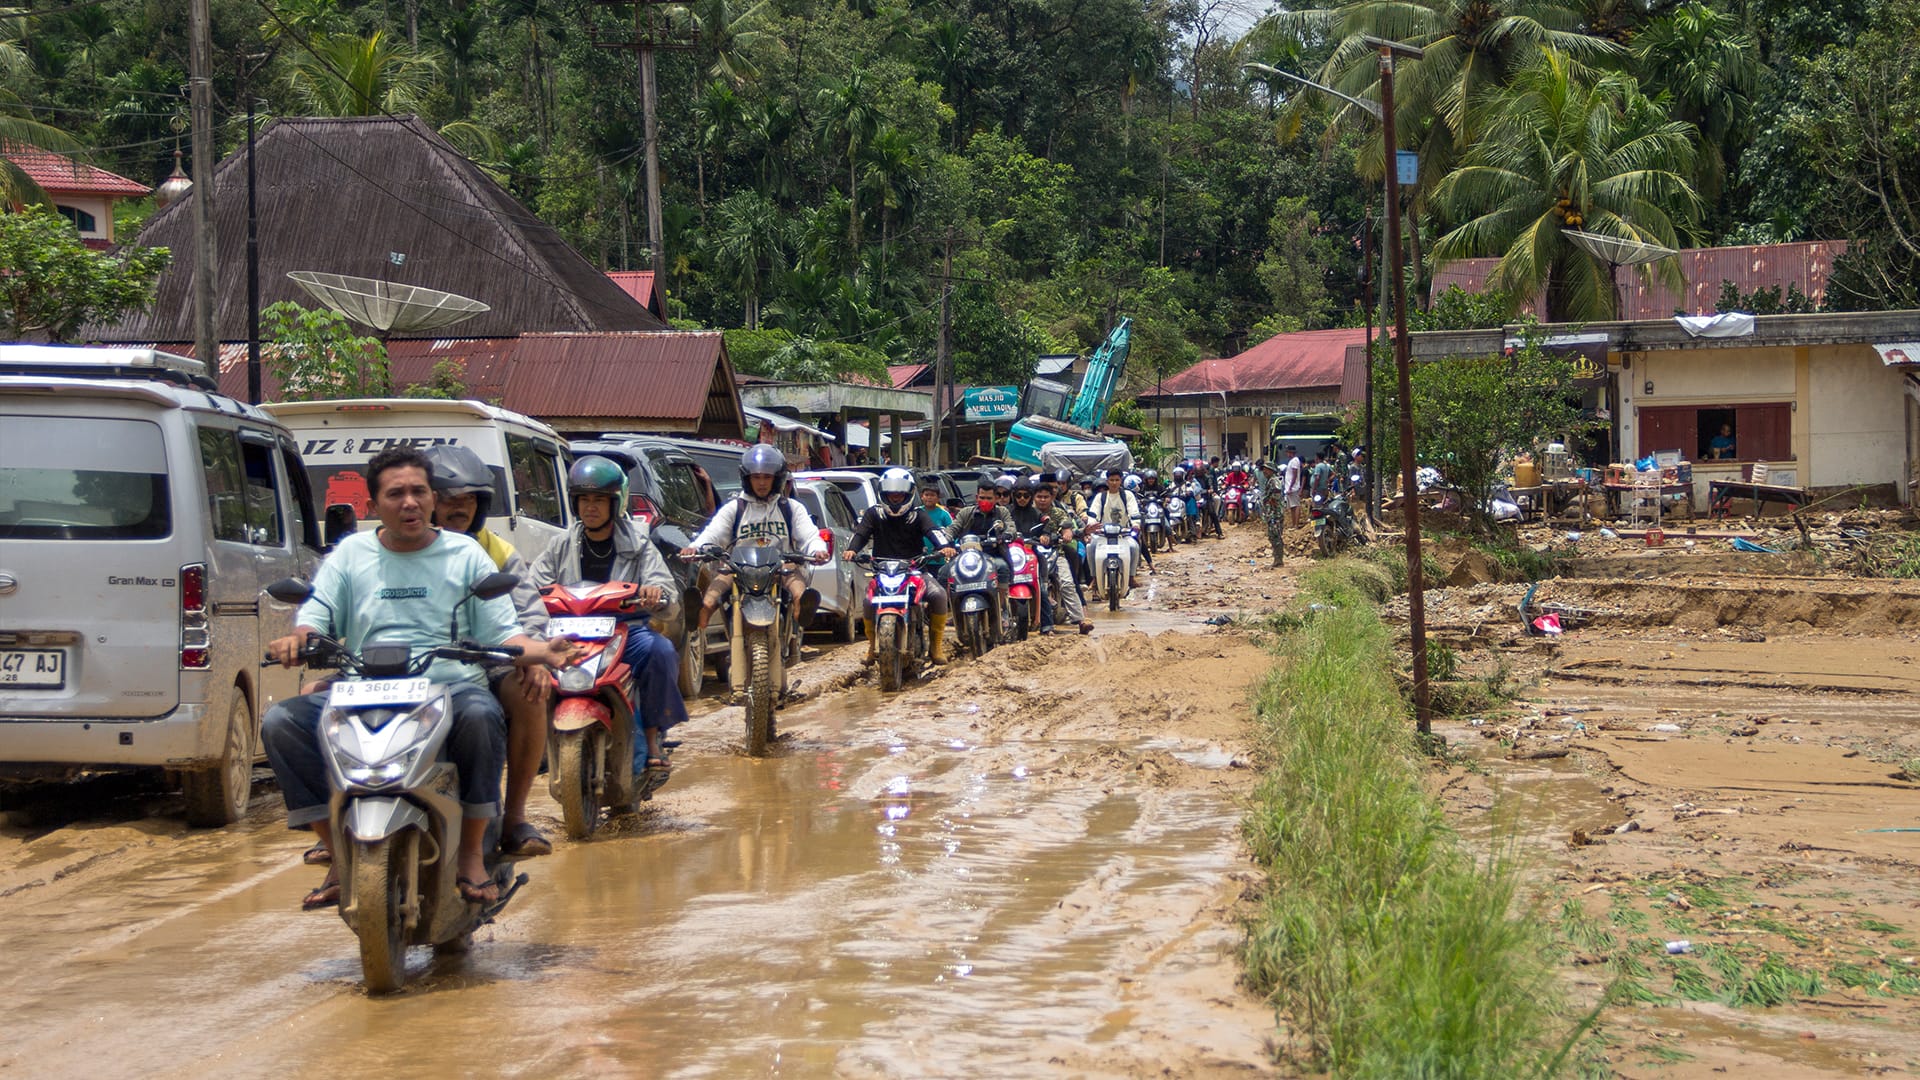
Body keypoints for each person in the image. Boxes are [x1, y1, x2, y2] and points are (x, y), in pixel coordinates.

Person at [262, 447, 579, 911]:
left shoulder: (467, 553)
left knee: (481, 713)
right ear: (373, 506)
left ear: (432, 499)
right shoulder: (350, 553)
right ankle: (336, 849)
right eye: (396, 494)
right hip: (362, 687)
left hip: (448, 686)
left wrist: (543, 651)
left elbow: (504, 631)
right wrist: (298, 639)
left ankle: (472, 851)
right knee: (280, 722)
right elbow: (316, 614)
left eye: (418, 492)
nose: (409, 502)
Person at [424, 444, 554, 859]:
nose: (457, 509)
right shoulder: (391, 546)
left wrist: (534, 658)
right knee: (318, 697)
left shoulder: (497, 552)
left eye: (467, 500)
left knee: (532, 692)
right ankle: (339, 831)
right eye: (447, 499)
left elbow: (530, 614)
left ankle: (514, 817)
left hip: (487, 663)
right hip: (406, 666)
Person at [528, 455, 688, 789]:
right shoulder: (560, 545)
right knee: (527, 668)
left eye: (599, 500)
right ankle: (536, 746)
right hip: (568, 637)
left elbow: (668, 593)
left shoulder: (639, 543)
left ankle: (653, 735)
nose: (591, 508)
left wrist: (655, 595)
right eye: (584, 500)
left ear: (616, 503)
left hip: (625, 633)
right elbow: (530, 589)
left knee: (660, 651)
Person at [679, 445, 829, 697]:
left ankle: (802, 603)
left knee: (793, 574)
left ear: (777, 478)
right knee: (721, 577)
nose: (761, 483)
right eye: (756, 477)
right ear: (747, 479)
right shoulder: (734, 508)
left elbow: (809, 536)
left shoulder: (790, 508)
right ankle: (703, 610)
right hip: (740, 569)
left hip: (778, 569)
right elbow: (712, 534)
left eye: (767, 477)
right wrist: (694, 548)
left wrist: (818, 550)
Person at [847, 467, 957, 663]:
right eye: (891, 494)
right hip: (881, 572)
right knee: (867, 602)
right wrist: (852, 550)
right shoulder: (874, 514)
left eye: (900, 495)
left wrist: (946, 546)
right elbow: (861, 533)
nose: (895, 499)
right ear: (883, 494)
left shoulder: (918, 515)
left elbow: (934, 532)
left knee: (938, 595)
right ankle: (872, 646)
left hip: (914, 570)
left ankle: (935, 647)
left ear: (908, 494)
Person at [1032, 481, 1093, 634]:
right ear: (1034, 497)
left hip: (1055, 553)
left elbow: (1067, 527)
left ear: (1052, 498)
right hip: (1030, 555)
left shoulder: (1058, 512)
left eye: (1046, 497)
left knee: (1067, 583)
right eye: (1039, 496)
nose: (1042, 500)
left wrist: (1067, 534)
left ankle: (1080, 620)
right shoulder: (1029, 512)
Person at [1085, 467, 1146, 595]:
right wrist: (1092, 525)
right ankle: (1095, 578)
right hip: (1103, 534)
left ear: (1121, 481)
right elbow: (1093, 514)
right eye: (1111, 480)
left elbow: (1134, 512)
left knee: (1134, 547)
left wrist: (1135, 525)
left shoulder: (1127, 496)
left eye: (1117, 480)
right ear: (1107, 481)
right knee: (1091, 546)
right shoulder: (1100, 497)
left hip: (1123, 534)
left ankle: (1130, 577)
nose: (1114, 483)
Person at [1283, 445, 1305, 529]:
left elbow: (1294, 475)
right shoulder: (1292, 461)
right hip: (1290, 488)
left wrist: (1290, 487)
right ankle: (1293, 524)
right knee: (1292, 506)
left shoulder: (1295, 461)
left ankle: (1296, 525)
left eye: (1288, 452)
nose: (1287, 454)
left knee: (1296, 505)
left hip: (1293, 488)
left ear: (1291, 452)